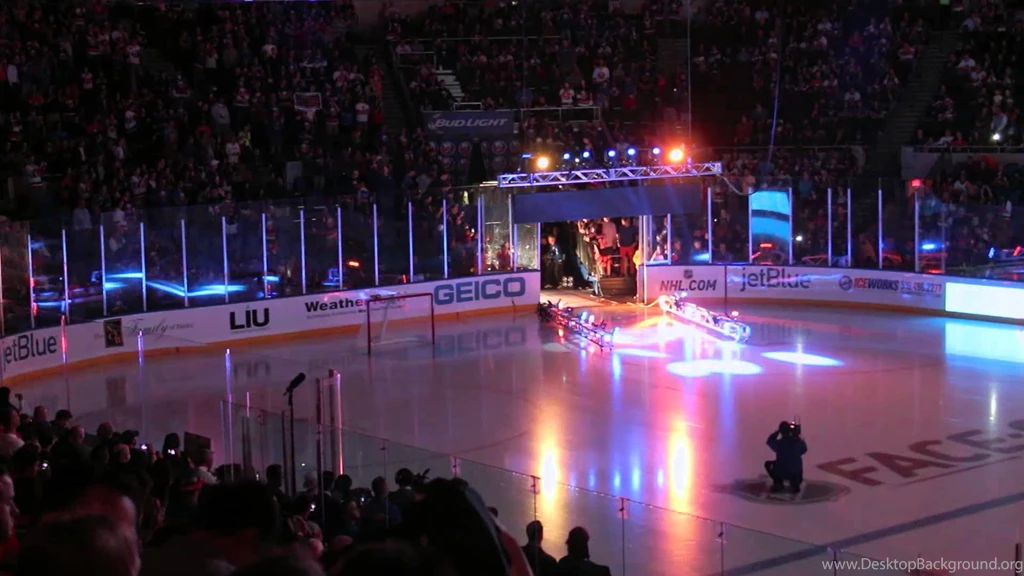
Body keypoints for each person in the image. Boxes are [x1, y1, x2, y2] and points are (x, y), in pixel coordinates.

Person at [765, 421, 808, 493]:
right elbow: (804, 450)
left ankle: (778, 483)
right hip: (796, 473)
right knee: (795, 465)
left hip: (782, 471)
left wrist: (777, 432)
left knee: (768, 464)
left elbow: (769, 441)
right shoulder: (798, 442)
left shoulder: (779, 443)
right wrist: (798, 437)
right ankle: (795, 482)